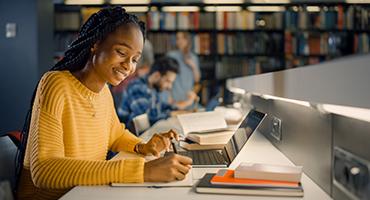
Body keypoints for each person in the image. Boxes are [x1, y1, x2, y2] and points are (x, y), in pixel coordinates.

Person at [16, 7, 192, 200]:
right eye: (121, 52)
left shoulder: (104, 91)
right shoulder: (56, 84)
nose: (128, 66)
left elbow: (115, 135)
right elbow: (45, 170)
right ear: (95, 44)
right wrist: (142, 171)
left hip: (86, 193)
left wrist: (143, 146)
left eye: (135, 59)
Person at [118, 56, 183, 132]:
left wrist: (178, 110)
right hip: (132, 137)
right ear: (157, 75)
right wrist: (171, 114)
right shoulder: (137, 88)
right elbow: (146, 119)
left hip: (146, 133)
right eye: (168, 81)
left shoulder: (153, 88)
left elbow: (160, 107)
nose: (170, 87)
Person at [110, 40, 154, 109]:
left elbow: (148, 67)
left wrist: (134, 72)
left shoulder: (146, 45)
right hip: (117, 83)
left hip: (132, 83)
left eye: (135, 59)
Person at [164, 31, 201, 109]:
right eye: (178, 38)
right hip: (175, 97)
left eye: (183, 38)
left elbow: (197, 79)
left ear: (188, 40)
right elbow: (165, 78)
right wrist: (168, 96)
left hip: (188, 97)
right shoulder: (171, 56)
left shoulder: (193, 57)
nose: (180, 41)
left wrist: (193, 66)